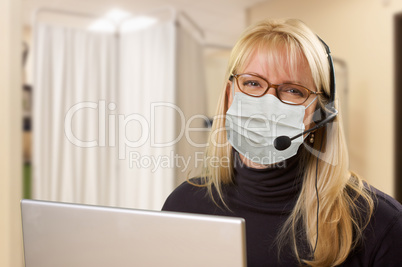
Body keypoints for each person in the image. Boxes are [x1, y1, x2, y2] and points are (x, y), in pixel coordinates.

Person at [162, 18, 402, 266]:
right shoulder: (184, 204)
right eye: (252, 83)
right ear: (228, 95)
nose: (268, 104)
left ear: (320, 114)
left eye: (293, 90)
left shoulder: (380, 224)